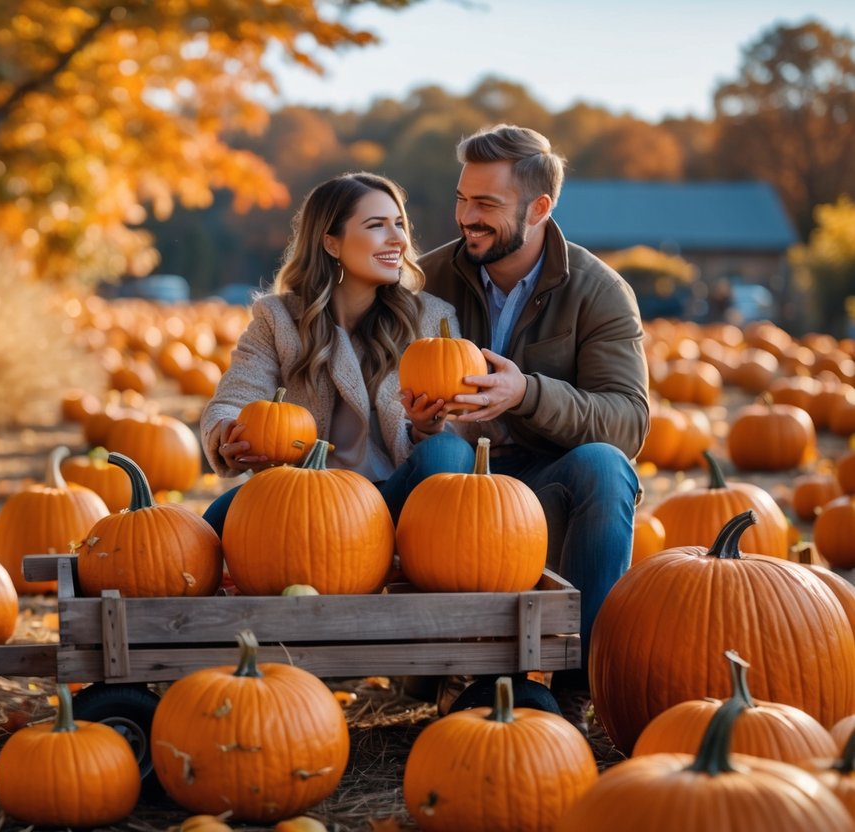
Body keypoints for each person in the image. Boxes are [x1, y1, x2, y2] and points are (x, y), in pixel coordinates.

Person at [419, 124, 650, 700]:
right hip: (452, 492)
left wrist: (527, 393)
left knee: (605, 465)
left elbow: (629, 421)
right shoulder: (426, 280)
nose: (466, 217)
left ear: (539, 207)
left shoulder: (598, 292)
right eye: (461, 198)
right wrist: (418, 419)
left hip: (546, 492)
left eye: (486, 204)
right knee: (441, 449)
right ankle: (438, 667)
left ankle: (578, 689)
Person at [200, 171, 464, 532]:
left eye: (399, 224)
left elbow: (462, 423)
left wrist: (425, 427)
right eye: (376, 226)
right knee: (213, 522)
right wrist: (228, 432)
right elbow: (235, 396)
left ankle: (398, 548)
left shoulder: (431, 319)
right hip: (310, 496)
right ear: (331, 244)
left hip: (393, 497)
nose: (397, 239)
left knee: (448, 453)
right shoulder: (278, 319)